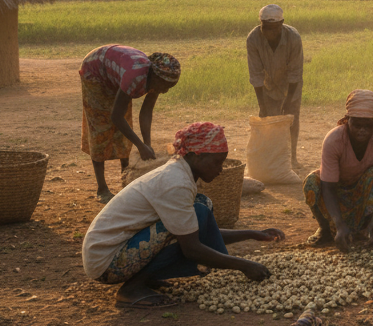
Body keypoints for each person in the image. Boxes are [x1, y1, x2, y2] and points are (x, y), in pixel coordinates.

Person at [81, 122, 286, 308]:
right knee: (188, 220)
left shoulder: (182, 173)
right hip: (106, 261)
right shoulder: (175, 183)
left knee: (201, 206)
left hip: (120, 248)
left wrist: (252, 233)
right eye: (216, 162)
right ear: (196, 156)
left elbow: (195, 231)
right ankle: (132, 289)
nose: (220, 169)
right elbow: (192, 248)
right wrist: (244, 266)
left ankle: (147, 277)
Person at [79, 45, 181, 202]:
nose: (165, 91)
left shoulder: (156, 78)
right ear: (155, 77)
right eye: (165, 86)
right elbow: (115, 116)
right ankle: (102, 189)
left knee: (124, 129)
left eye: (170, 88)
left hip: (115, 74)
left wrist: (147, 144)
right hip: (95, 71)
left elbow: (146, 112)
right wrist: (140, 146)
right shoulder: (135, 77)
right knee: (100, 128)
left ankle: (126, 183)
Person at [303, 90, 373, 250]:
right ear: (347, 121)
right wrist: (339, 224)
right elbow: (328, 187)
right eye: (357, 125)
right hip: (337, 193)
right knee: (311, 182)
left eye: (368, 126)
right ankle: (326, 229)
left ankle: (371, 226)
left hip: (365, 194)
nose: (362, 130)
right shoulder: (334, 139)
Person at [247, 3, 304, 164]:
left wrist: (288, 100)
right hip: (267, 85)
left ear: (282, 24)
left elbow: (295, 72)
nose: (270, 33)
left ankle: (291, 158)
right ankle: (271, 158)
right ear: (261, 25)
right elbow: (256, 74)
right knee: (268, 121)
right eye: (266, 28)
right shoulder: (253, 39)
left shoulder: (293, 37)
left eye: (274, 28)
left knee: (291, 119)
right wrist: (262, 104)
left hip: (290, 85)